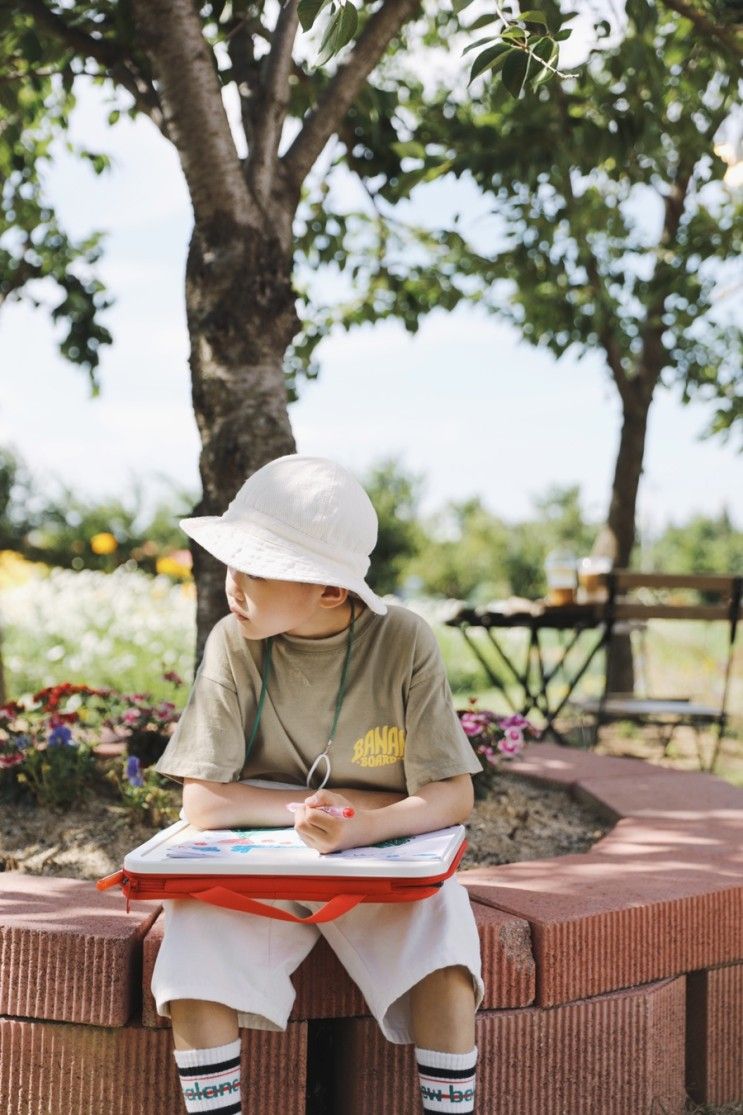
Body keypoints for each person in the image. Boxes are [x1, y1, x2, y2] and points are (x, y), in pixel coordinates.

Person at [152, 454, 484, 1115]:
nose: (233, 584)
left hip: (377, 860)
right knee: (189, 937)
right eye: (231, 562)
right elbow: (204, 801)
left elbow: (451, 794)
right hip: (265, 866)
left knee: (444, 935)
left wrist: (362, 826)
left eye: (257, 568)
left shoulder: (402, 640)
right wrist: (312, 811)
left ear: (331, 589)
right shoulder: (232, 643)